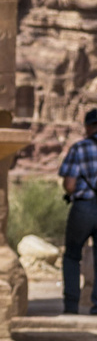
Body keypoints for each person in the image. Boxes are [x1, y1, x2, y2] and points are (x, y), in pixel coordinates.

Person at [60, 108, 97, 314]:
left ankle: (71, 305)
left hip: (83, 207)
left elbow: (70, 185)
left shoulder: (79, 148)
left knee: (73, 256)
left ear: (90, 127)